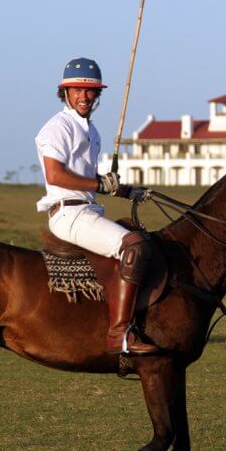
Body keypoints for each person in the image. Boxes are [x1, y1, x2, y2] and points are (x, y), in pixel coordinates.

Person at [35, 57, 157, 355]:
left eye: (90, 91)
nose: (84, 96)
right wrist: (100, 184)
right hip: (68, 212)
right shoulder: (57, 127)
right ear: (64, 92)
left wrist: (124, 189)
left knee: (136, 233)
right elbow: (56, 174)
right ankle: (119, 334)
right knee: (134, 246)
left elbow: (87, 177)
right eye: (76, 90)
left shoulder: (92, 132)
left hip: (87, 209)